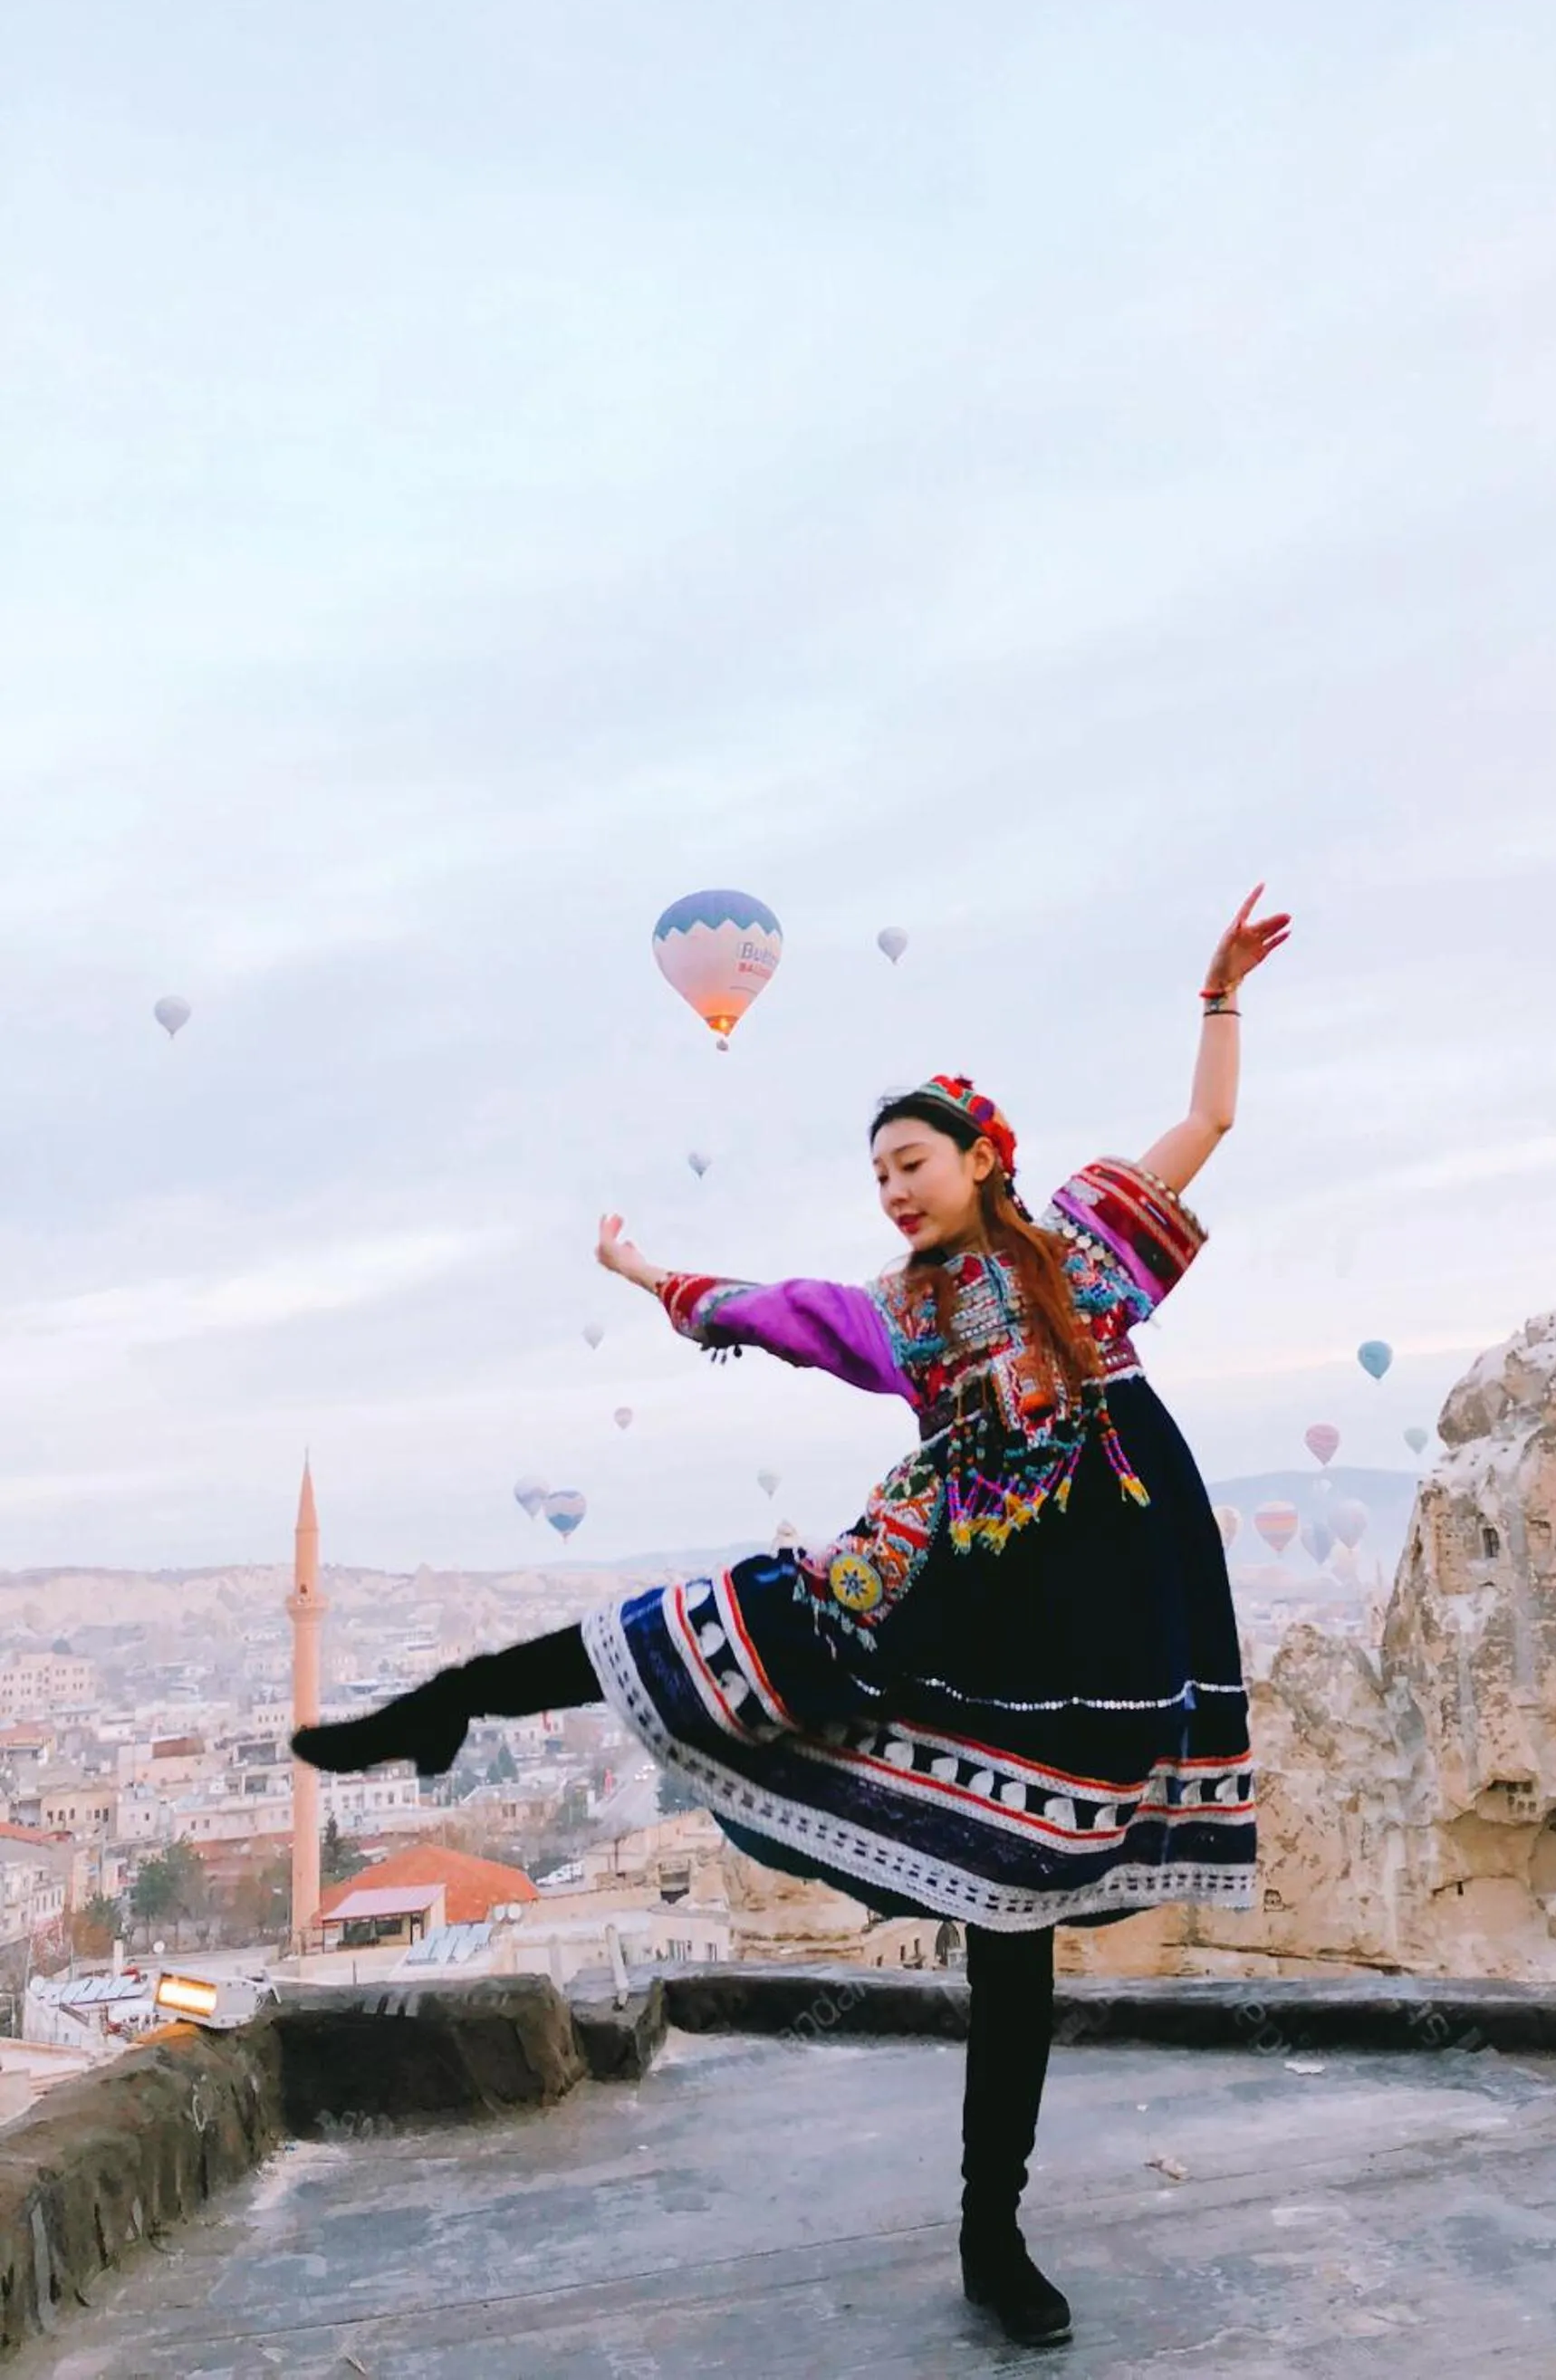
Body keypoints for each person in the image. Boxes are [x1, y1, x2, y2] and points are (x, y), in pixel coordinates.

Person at [294, 885, 1291, 2346]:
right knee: (724, 1626)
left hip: (1088, 1618)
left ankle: (988, 2232)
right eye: (875, 1172)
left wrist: (1216, 995)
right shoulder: (897, 1311)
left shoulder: (1084, 1248)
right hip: (948, 1580)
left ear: (977, 1157)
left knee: (1013, 1931)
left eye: (909, 1161)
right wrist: (644, 1272)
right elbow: (757, 1305)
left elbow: (1200, 1130)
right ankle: (450, 1698)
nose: (890, 1188)